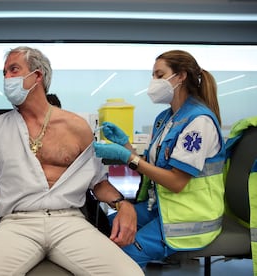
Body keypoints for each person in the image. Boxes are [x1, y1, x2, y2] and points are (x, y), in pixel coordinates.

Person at [0, 46, 143, 275]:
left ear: (37, 75)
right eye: (4, 74)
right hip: (17, 223)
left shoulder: (77, 127)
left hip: (69, 221)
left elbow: (97, 182)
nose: (6, 78)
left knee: (130, 273)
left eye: (13, 70)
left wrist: (124, 205)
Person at [94, 50, 226, 268]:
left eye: (159, 75)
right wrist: (126, 145)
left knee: (118, 255)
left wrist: (128, 158)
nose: (153, 82)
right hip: (162, 208)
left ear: (181, 76)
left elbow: (175, 181)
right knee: (101, 228)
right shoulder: (165, 119)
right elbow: (154, 167)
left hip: (188, 218)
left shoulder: (199, 121)